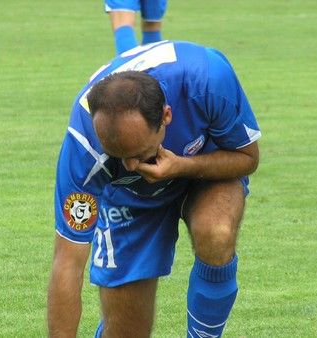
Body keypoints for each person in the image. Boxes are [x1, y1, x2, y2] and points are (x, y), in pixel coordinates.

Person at [47, 40, 261, 337]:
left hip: (208, 165)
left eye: (140, 153)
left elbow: (247, 158)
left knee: (216, 231)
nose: (133, 166)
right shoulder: (83, 148)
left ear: (166, 117)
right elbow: (68, 263)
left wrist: (182, 167)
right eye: (121, 158)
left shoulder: (209, 80)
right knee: (126, 330)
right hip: (131, 199)